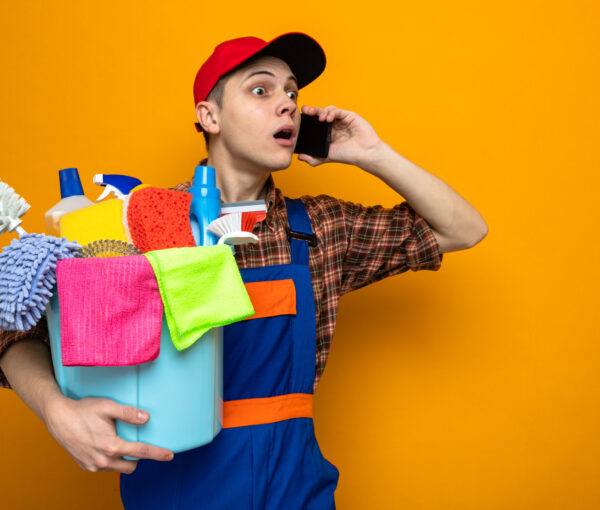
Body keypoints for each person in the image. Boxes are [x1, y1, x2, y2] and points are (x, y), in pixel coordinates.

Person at [0, 32, 487, 508]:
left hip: (296, 488)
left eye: (293, 93)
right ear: (208, 116)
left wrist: (371, 155)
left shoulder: (320, 228)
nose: (288, 105)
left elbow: (462, 229)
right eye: (261, 89)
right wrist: (55, 410)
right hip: (176, 488)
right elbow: (12, 331)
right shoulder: (141, 223)